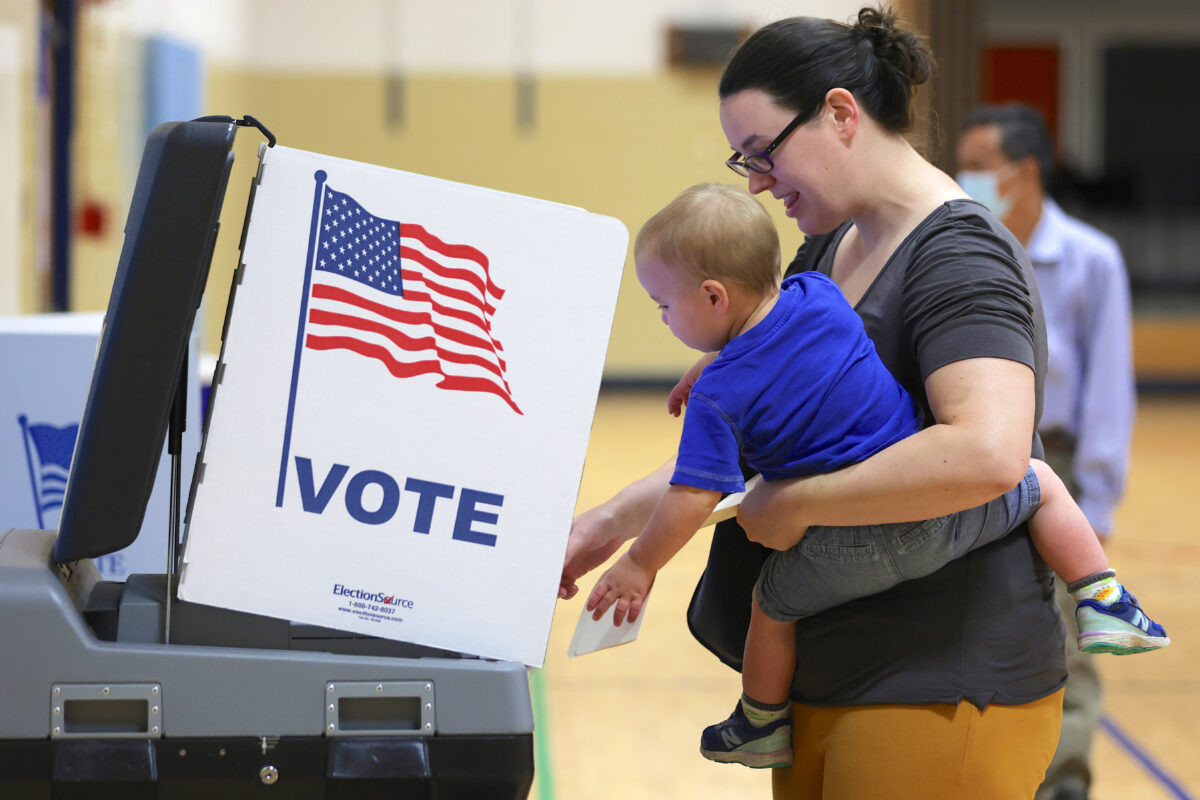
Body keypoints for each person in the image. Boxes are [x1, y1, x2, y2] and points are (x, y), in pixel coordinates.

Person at [561, 7, 1065, 798]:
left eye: (763, 153)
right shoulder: (829, 249)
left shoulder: (958, 254)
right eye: (743, 162)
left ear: (839, 114)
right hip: (836, 670)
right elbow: (737, 443)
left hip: (939, 678)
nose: (758, 184)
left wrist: (799, 503)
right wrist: (602, 527)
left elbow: (989, 452)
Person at [584, 182, 1167, 770]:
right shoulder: (817, 294)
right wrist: (716, 354)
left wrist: (639, 563)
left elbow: (691, 496)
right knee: (1041, 482)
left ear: (712, 297)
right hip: (937, 505)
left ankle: (760, 720)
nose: (661, 318)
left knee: (773, 601)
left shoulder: (718, 397)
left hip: (852, 542)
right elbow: (772, 327)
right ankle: (1103, 597)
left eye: (663, 304)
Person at [958, 102, 1138, 800]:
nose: (963, 179)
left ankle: (1064, 781)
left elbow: (1109, 390)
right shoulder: (966, 245)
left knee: (1071, 630)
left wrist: (1098, 498)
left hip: (1056, 464)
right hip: (975, 460)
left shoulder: (1091, 259)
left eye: (976, 167)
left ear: (1024, 171)